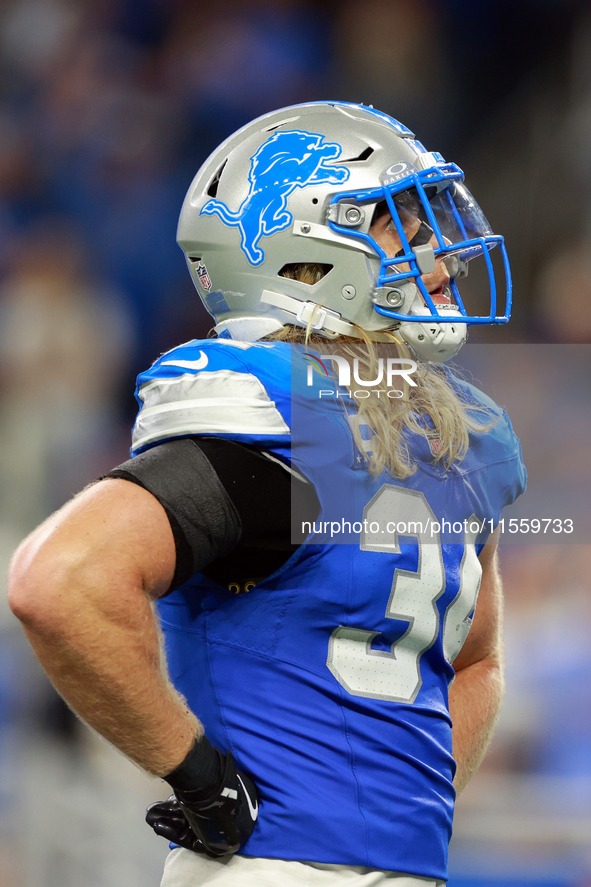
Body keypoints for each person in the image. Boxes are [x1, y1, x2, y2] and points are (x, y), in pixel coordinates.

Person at [7, 102, 526, 887]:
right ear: (301, 261)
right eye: (400, 227)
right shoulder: (262, 412)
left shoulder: (460, 433)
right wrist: (196, 772)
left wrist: (388, 823)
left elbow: (476, 658)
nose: (440, 255)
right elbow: (61, 581)